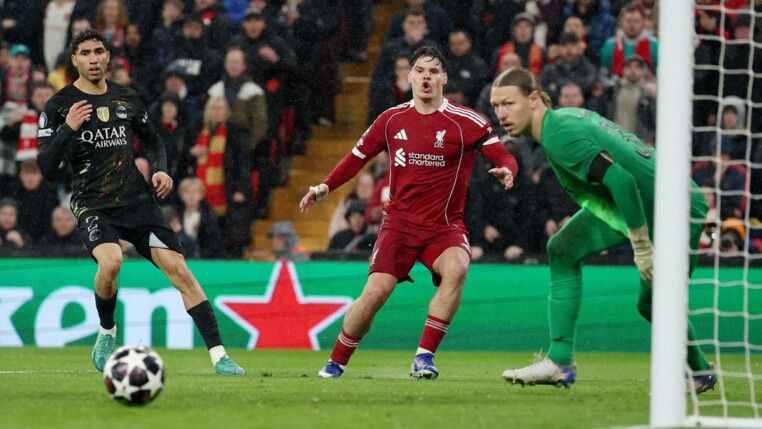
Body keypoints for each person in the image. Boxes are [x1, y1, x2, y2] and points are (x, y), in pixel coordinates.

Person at [490, 67, 716, 393]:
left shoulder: (559, 136)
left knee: (654, 302)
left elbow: (621, 180)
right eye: (497, 106)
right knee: (563, 248)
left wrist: (641, 248)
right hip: (644, 202)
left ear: (534, 99)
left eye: (509, 103)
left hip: (674, 210)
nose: (501, 113)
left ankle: (699, 372)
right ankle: (560, 360)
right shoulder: (562, 120)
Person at [300, 45, 518, 379]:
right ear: (409, 77)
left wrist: (508, 170)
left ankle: (424, 357)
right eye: (419, 71)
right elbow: (357, 157)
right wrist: (324, 187)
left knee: (458, 268)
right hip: (398, 226)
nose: (426, 77)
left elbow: (502, 155)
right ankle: (336, 362)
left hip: (443, 227)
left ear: (444, 78)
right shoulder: (391, 119)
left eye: (433, 71)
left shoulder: (466, 122)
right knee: (375, 294)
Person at [35, 30, 245, 375]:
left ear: (107, 57)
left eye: (98, 51)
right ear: (74, 60)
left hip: (137, 201)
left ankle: (220, 356)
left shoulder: (126, 98)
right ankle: (106, 332)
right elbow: (45, 166)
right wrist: (67, 128)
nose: (93, 58)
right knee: (112, 261)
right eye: (85, 52)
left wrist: (161, 171)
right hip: (93, 203)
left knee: (180, 272)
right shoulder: (59, 105)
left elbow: (154, 142)